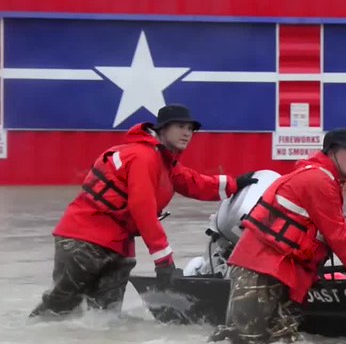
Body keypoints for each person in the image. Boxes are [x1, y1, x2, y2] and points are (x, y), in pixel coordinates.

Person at [30, 104, 258, 318]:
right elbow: (143, 209)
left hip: (118, 248)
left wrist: (235, 184)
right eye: (180, 126)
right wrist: (164, 262)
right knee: (59, 309)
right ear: (162, 129)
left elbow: (194, 183)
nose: (187, 133)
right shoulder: (143, 157)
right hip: (83, 242)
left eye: (191, 129)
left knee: (104, 320)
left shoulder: (164, 162)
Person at [212, 128, 346, 344]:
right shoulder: (319, 181)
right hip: (260, 270)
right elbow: (339, 237)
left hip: (281, 273)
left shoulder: (324, 180)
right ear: (331, 152)